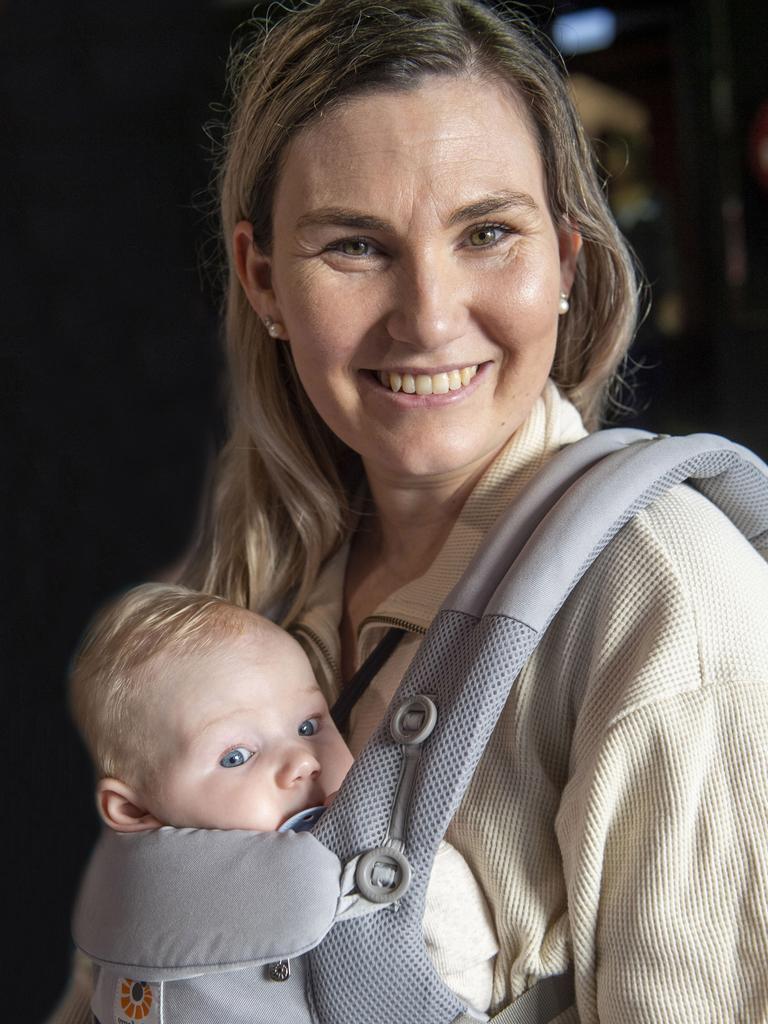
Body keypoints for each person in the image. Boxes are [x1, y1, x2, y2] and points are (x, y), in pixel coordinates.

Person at [53, 1, 768, 1021]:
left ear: (563, 261)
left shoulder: (672, 604)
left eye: (487, 232)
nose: (429, 317)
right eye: (355, 244)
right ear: (262, 279)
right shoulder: (271, 562)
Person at [68, 582, 498, 1016]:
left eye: (309, 727)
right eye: (236, 756)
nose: (302, 761)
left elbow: (466, 986)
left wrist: (417, 873)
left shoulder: (378, 871)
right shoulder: (130, 907)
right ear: (133, 810)